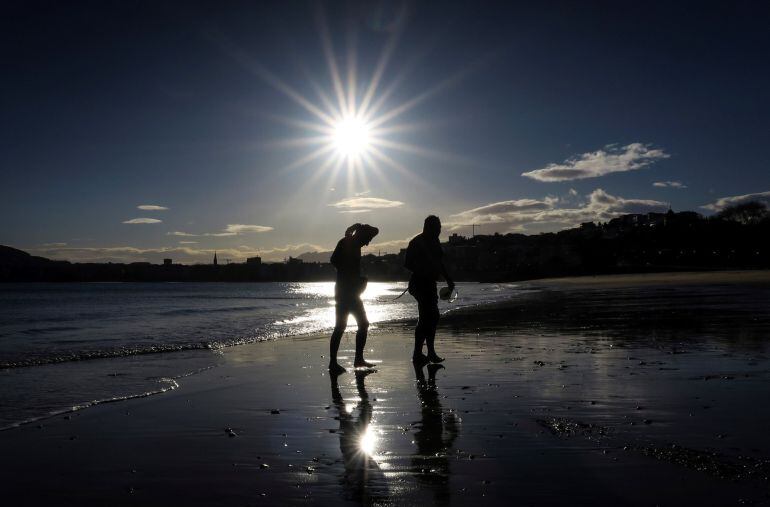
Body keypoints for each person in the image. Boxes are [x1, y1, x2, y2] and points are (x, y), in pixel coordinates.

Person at [328, 223, 379, 373]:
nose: (368, 243)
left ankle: (356, 359)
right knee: (343, 326)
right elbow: (334, 261)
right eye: (367, 239)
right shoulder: (346, 242)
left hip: (350, 292)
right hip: (345, 292)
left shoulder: (353, 244)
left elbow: (376, 229)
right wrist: (350, 275)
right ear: (361, 235)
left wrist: (353, 228)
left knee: (360, 324)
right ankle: (336, 362)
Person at [404, 215, 454, 364]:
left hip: (430, 284)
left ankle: (427, 353)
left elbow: (439, 263)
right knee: (428, 316)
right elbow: (407, 263)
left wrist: (448, 279)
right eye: (437, 228)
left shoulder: (435, 241)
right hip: (418, 284)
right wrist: (423, 271)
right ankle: (419, 354)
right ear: (428, 227)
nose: (439, 231)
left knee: (431, 317)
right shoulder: (416, 242)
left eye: (440, 228)